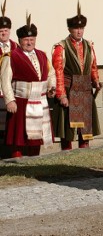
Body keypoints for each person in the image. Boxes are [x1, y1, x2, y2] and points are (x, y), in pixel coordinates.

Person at [1, 20, 56, 158]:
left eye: (32, 39)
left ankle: (34, 161)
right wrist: (9, 100)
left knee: (36, 138)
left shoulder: (42, 55)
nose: (29, 42)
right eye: (26, 40)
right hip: (20, 102)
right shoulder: (11, 56)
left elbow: (51, 74)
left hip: (39, 101)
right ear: (20, 40)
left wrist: (51, 87)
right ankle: (16, 162)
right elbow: (5, 80)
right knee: (18, 137)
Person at [51, 9, 102, 150]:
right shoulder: (61, 47)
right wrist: (61, 95)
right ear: (69, 29)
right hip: (69, 89)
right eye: (76, 28)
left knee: (85, 128)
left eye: (81, 28)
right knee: (67, 128)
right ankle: (67, 155)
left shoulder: (89, 45)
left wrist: (96, 81)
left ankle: (84, 153)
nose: (79, 31)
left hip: (85, 90)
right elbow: (58, 72)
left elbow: (93, 66)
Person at [0, 12, 17, 145]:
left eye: (6, 30)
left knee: (10, 126)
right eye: (1, 31)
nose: (3, 33)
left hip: (12, 93)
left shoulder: (17, 47)